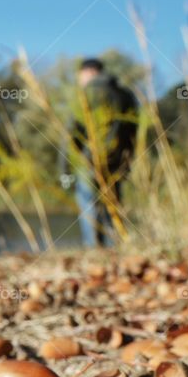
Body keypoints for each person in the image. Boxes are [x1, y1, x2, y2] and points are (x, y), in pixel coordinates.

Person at [59, 58, 138, 247]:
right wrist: (127, 161)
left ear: (90, 73)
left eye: (81, 75)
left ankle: (96, 254)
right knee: (113, 209)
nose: (79, 80)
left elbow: (70, 135)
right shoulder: (125, 95)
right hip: (117, 163)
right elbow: (133, 131)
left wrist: (64, 171)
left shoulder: (85, 94)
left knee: (90, 211)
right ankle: (117, 252)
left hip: (88, 163)